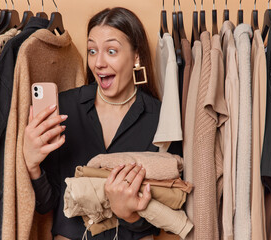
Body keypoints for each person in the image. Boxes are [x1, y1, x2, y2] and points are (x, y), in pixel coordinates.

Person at [23, 7, 167, 240]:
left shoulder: (160, 118)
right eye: (92, 50)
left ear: (136, 56)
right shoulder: (64, 108)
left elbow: (168, 214)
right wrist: (32, 165)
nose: (98, 62)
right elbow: (47, 204)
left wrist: (128, 214)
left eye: (111, 51)